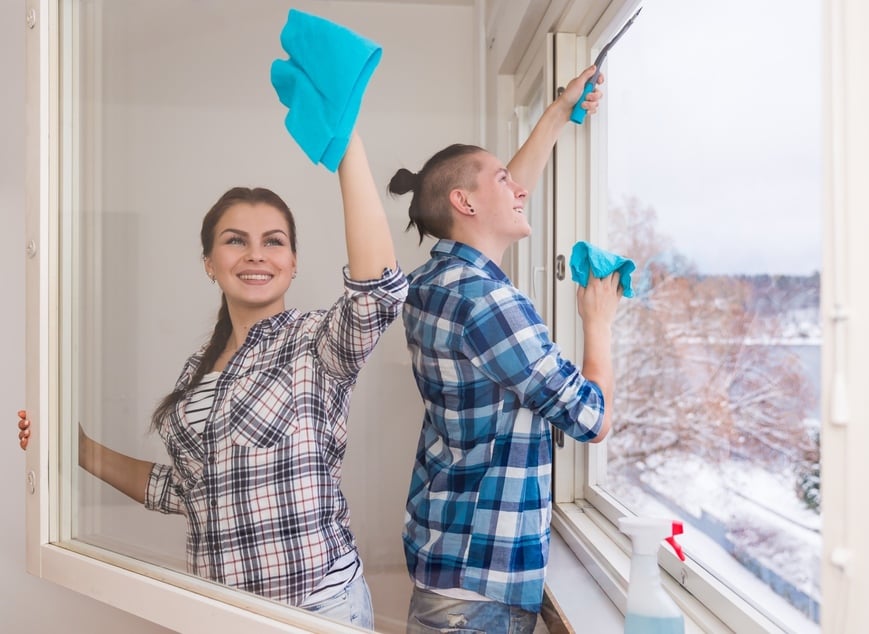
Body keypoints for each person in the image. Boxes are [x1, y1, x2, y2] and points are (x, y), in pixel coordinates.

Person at [17, 130, 407, 630]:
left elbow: (376, 294)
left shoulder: (316, 343)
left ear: (292, 263)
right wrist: (78, 448)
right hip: (219, 613)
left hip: (314, 612)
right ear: (209, 264)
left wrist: (345, 139)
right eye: (235, 241)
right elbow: (182, 491)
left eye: (274, 241)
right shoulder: (197, 370)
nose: (256, 254)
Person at [387, 65, 623, 633]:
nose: (520, 190)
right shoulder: (489, 303)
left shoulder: (433, 283)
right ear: (464, 202)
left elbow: (502, 194)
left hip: (447, 558)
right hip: (479, 595)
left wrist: (558, 113)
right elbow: (592, 417)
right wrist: (599, 322)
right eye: (501, 181)